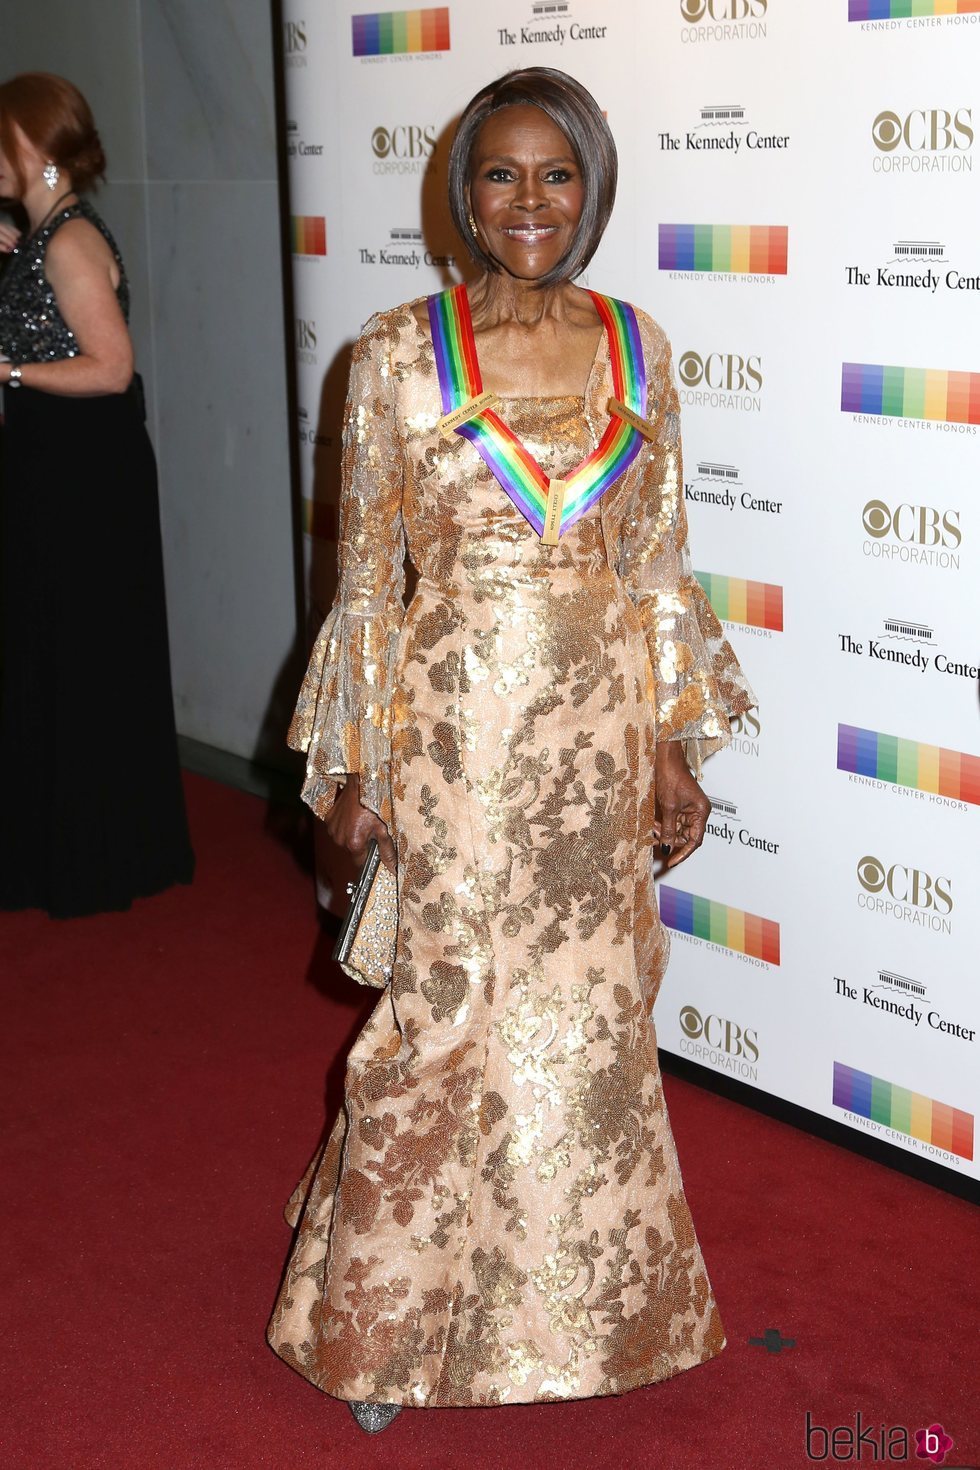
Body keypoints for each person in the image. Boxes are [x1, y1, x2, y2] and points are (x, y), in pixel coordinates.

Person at [268, 67, 755, 1433]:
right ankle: (382, 1321)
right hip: (454, 738)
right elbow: (367, 584)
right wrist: (350, 772)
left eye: (556, 174)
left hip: (597, 743)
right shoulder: (394, 355)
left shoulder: (642, 346)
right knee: (439, 1017)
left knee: (590, 1023)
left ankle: (595, 1313)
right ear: (462, 192)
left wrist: (670, 743)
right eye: (501, 173)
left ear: (592, 190)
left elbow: (659, 567)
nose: (528, 199)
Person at [0, 73, 193, 918]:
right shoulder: (45, 234)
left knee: (78, 655)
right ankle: (70, 846)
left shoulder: (70, 241)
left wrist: (5, 370)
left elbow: (112, 369)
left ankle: (93, 856)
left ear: (37, 148)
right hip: (58, 467)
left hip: (82, 475)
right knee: (56, 653)